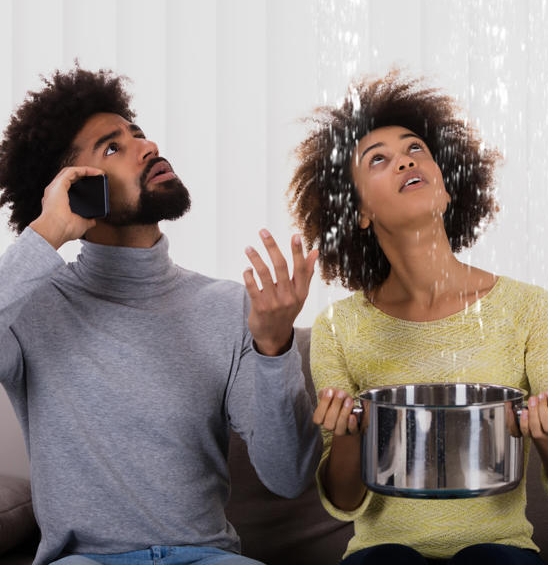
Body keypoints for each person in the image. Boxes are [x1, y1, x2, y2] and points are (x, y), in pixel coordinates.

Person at [0, 66, 321, 565]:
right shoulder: (33, 305)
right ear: (71, 190)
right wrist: (45, 233)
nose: (147, 147)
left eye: (138, 134)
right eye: (113, 147)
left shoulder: (231, 308)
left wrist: (275, 349)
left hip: (208, 558)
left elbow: (287, 476)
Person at [288, 71, 548, 564]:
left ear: (448, 187)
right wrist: (346, 436)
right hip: (382, 552)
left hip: (501, 551)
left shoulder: (529, 308)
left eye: (415, 149)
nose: (406, 159)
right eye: (379, 160)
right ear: (360, 212)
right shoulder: (337, 328)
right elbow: (345, 501)